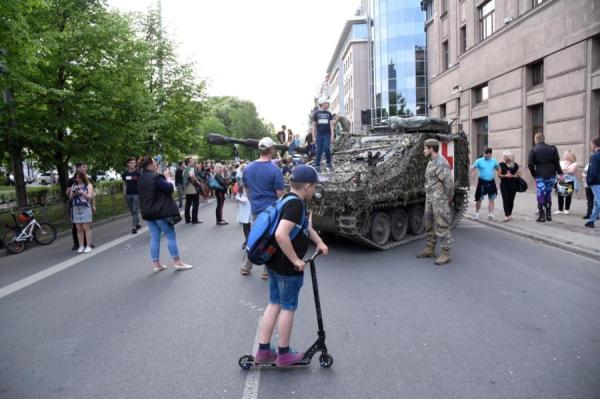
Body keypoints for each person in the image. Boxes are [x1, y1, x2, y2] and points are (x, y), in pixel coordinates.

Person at [254, 165, 329, 366]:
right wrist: (296, 259)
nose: (315, 190)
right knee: (288, 307)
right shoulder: (295, 206)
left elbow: (304, 226)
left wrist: (319, 242)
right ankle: (284, 353)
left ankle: (263, 351)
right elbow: (281, 234)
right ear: (307, 187)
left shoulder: (289, 199)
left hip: (274, 262)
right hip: (287, 266)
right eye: (315, 186)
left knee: (275, 303)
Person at [138, 156, 192, 272]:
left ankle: (156, 264)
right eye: (154, 162)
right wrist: (167, 178)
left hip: (148, 212)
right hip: (160, 212)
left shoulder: (141, 177)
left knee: (154, 238)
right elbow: (169, 189)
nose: (156, 164)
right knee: (170, 236)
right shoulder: (156, 177)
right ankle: (178, 262)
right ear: (151, 165)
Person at [241, 137, 285, 279]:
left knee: (254, 237)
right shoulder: (275, 170)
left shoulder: (248, 168)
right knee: (270, 240)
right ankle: (267, 271)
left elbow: (247, 189)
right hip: (271, 210)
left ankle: (245, 267)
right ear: (272, 149)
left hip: (256, 209)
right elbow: (279, 194)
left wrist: (254, 202)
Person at [416, 139, 454, 265]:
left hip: (440, 198)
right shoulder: (431, 162)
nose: (424, 151)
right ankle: (430, 249)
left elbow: (448, 182)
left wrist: (449, 197)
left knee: (442, 224)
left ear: (431, 149)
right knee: (429, 223)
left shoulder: (441, 162)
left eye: (425, 148)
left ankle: (445, 253)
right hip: (430, 197)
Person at [528, 133, 563, 223]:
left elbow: (530, 164)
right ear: (544, 139)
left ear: (536, 139)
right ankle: (548, 215)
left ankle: (542, 215)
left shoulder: (533, 150)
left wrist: (534, 174)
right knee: (548, 193)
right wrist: (560, 173)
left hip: (540, 175)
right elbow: (556, 162)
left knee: (540, 193)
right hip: (551, 174)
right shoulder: (552, 148)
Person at [69, 171, 94, 253]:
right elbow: (70, 198)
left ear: (83, 177)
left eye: (79, 177)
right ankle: (81, 245)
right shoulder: (74, 186)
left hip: (85, 207)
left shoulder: (88, 185)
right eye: (76, 177)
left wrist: (82, 192)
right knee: (78, 228)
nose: (78, 179)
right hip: (76, 208)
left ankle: (88, 245)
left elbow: (90, 197)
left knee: (86, 228)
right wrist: (73, 193)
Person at [471, 147, 499, 221]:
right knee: (479, 198)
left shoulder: (494, 161)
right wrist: (472, 171)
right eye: (485, 154)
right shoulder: (479, 161)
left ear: (490, 154)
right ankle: (477, 213)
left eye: (487, 155)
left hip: (491, 181)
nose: (486, 156)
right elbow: (473, 167)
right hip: (482, 182)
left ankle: (490, 214)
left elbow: (498, 167)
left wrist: (500, 174)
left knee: (492, 198)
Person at [67, 162, 90, 251]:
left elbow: (91, 194)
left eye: (85, 167)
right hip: (75, 206)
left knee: (86, 226)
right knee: (76, 226)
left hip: (85, 205)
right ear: (78, 168)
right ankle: (77, 244)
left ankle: (87, 244)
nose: (85, 169)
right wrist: (71, 191)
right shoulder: (71, 181)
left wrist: (93, 205)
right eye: (83, 167)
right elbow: (68, 195)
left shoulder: (87, 180)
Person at [312, 97, 335, 172]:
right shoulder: (316, 114)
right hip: (319, 135)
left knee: (326, 148)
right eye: (326, 103)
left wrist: (332, 135)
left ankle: (329, 163)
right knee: (319, 150)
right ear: (322, 104)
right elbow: (314, 126)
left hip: (327, 135)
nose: (328, 104)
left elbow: (331, 125)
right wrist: (313, 136)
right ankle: (317, 165)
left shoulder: (329, 114)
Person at [498, 151, 520, 222]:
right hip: (504, 185)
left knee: (511, 200)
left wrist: (512, 175)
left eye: (505, 156)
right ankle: (506, 215)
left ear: (508, 157)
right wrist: (506, 176)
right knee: (506, 200)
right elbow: (499, 175)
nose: (503, 157)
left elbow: (518, 175)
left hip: (513, 185)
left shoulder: (515, 165)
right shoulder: (501, 164)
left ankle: (510, 214)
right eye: (503, 156)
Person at [555, 150, 579, 215]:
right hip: (561, 180)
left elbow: (572, 171)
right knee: (560, 195)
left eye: (566, 154)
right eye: (564, 154)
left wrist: (563, 170)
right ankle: (560, 209)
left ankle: (566, 209)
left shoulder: (574, 163)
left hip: (569, 181)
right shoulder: (561, 162)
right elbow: (557, 170)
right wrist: (565, 170)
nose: (564, 155)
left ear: (570, 156)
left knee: (568, 195)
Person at [122, 158, 142, 234]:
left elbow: (140, 184)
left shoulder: (138, 173)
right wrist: (124, 193)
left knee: (134, 210)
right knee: (132, 211)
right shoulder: (125, 174)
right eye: (131, 163)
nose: (133, 164)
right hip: (128, 194)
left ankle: (133, 227)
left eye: (134, 163)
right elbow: (124, 184)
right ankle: (137, 223)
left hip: (136, 194)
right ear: (128, 164)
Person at [585, 138, 600, 228]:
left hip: (596, 182)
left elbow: (593, 171)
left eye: (591, 144)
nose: (591, 146)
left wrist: (589, 181)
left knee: (598, 202)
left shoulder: (594, 156)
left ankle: (591, 220)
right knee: (596, 202)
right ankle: (591, 221)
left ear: (594, 145)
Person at [236, 163, 252, 248]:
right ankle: (247, 240)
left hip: (253, 207)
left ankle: (252, 241)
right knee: (246, 225)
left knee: (254, 224)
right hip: (244, 208)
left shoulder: (254, 183)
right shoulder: (241, 186)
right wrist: (241, 199)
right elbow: (237, 196)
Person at [183, 157, 202, 224]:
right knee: (195, 204)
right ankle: (194, 219)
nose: (193, 162)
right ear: (188, 162)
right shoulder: (191, 168)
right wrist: (197, 181)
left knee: (188, 204)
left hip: (187, 189)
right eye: (191, 161)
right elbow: (191, 175)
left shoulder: (184, 169)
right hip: (193, 188)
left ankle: (187, 219)